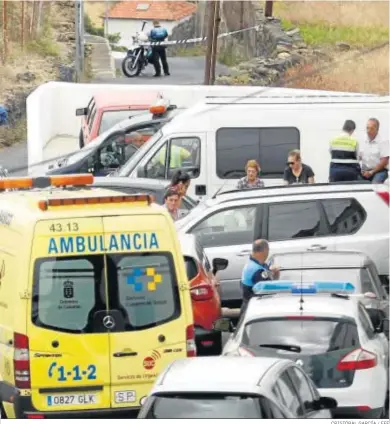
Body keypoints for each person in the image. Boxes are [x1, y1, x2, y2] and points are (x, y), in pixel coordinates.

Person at [240, 239, 280, 314]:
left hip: (247, 305)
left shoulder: (252, 263)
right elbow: (269, 292)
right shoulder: (258, 271)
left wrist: (270, 271)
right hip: (254, 310)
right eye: (268, 250)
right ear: (265, 251)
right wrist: (276, 276)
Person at [360, 118, 389, 183]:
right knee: (357, 185)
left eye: (371, 128)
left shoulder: (383, 141)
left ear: (377, 130)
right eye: (367, 128)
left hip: (379, 171)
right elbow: (359, 156)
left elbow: (384, 161)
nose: (368, 131)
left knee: (374, 186)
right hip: (365, 172)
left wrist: (371, 172)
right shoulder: (363, 140)